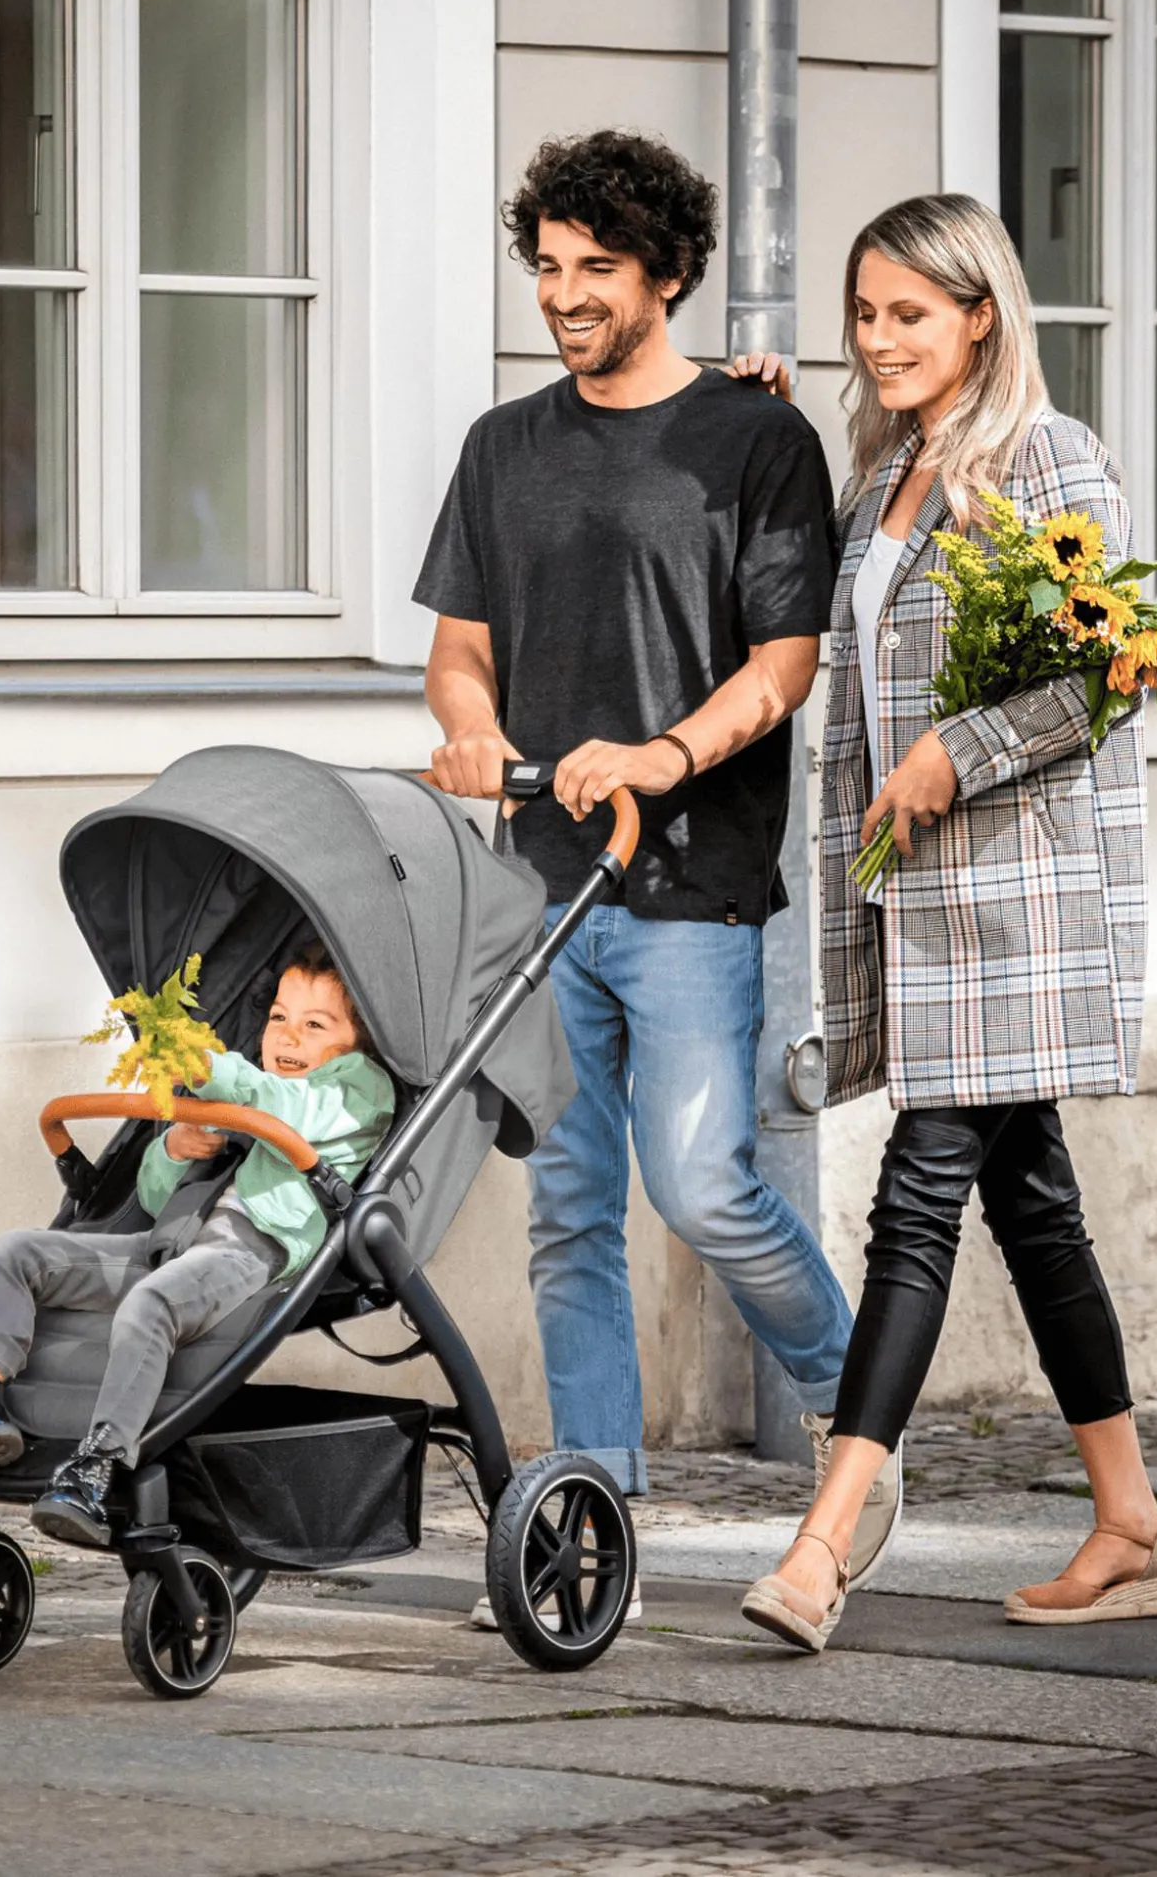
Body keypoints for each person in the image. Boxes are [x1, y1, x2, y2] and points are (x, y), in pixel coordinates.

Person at [415, 129, 901, 1630]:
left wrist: (657, 757)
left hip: (692, 886)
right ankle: (589, 1518)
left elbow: (783, 667)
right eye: (548, 265)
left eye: (598, 268)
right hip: (540, 892)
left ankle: (860, 1426)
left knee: (703, 1187)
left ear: (669, 274)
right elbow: (458, 651)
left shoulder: (755, 440)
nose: (564, 294)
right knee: (567, 1208)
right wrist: (472, 731)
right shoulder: (501, 447)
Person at [733, 194, 1157, 1654]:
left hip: (1015, 902)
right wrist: (756, 421)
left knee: (917, 1195)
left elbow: (1114, 670)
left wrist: (954, 752)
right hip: (914, 901)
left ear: (980, 316)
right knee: (1030, 1204)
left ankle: (823, 1544)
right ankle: (1129, 1523)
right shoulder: (882, 474)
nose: (879, 339)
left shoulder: (1052, 459)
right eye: (863, 315)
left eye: (908, 314)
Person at [0, 947, 395, 1546]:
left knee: (151, 1304)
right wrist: (175, 1148)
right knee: (15, 1254)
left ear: (357, 1041)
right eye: (278, 1017)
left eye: (314, 1024)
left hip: (248, 1252)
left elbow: (291, 1111)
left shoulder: (357, 1090)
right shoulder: (253, 1091)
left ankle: (99, 1464)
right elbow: (153, 1195)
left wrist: (216, 1072)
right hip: (170, 1241)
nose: (288, 1036)